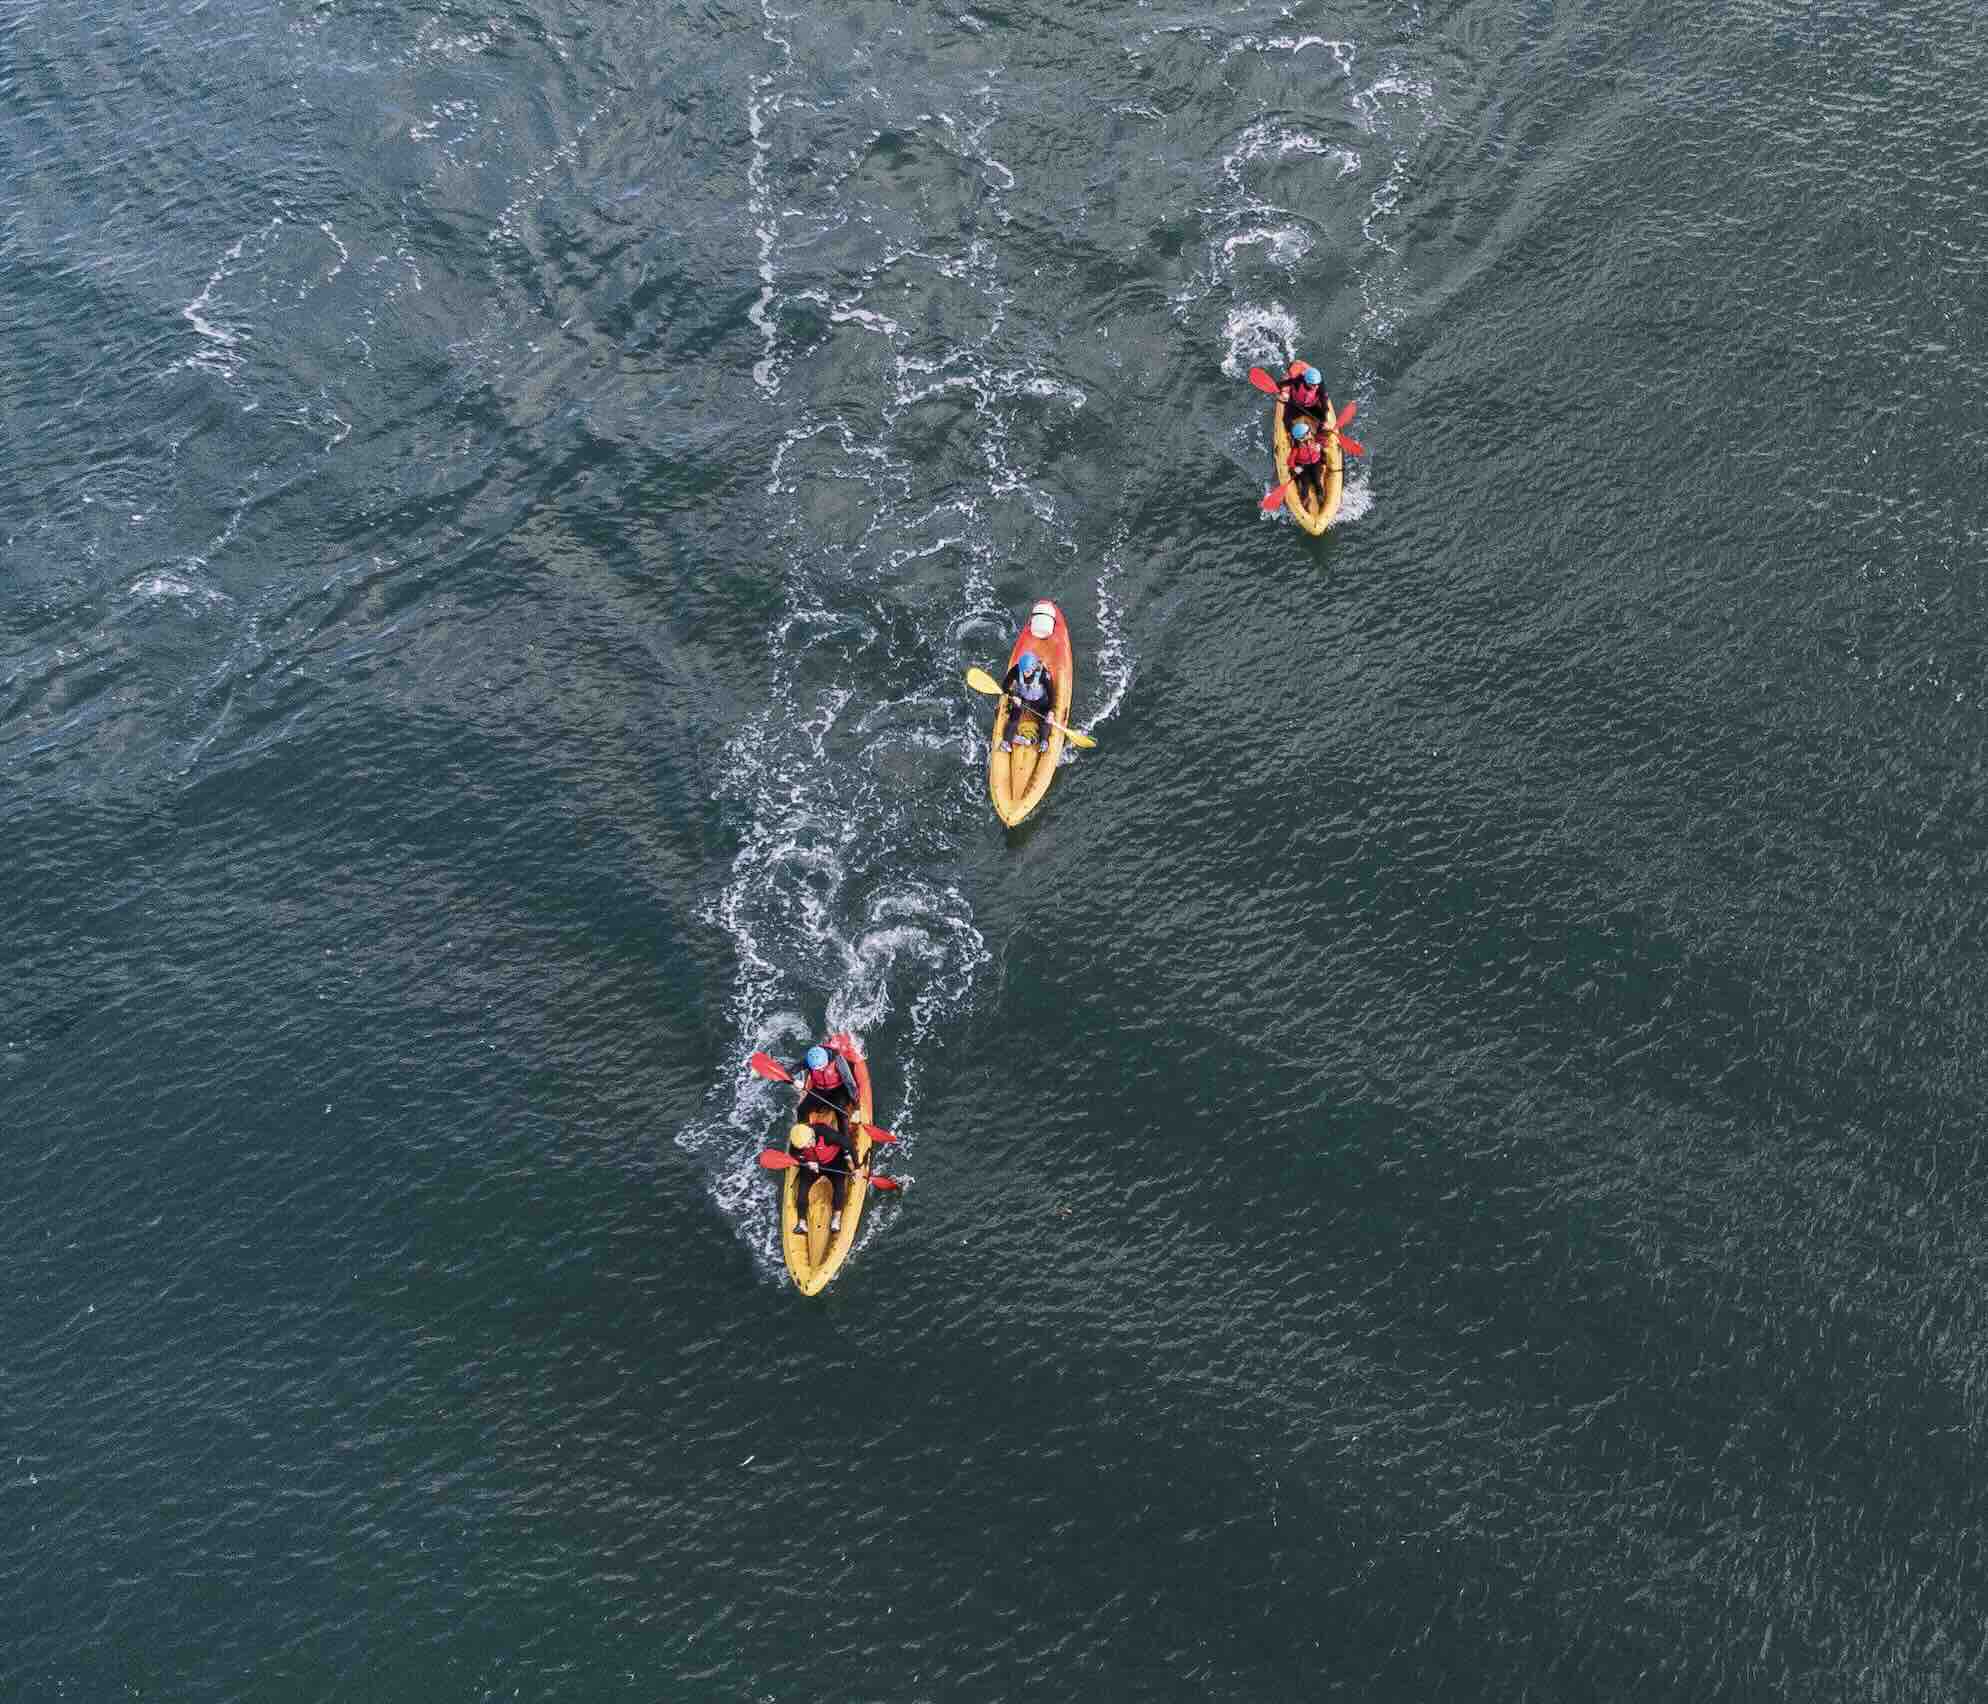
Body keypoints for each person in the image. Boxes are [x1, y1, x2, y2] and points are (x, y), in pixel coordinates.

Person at [785, 1121, 866, 1237]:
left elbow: (848, 1144)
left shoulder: (826, 1134)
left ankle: (836, 1218)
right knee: (802, 1190)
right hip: (813, 1167)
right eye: (804, 1147)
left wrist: (857, 1167)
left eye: (809, 1143)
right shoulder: (796, 1144)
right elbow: (794, 1156)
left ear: (812, 1136)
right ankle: (802, 1223)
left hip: (834, 1161)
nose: (807, 1147)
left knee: (839, 1187)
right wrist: (806, 1163)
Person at [786, 1042, 859, 1143]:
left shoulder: (837, 1060)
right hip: (819, 1090)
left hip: (838, 1090)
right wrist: (792, 1080)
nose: (820, 1070)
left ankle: (845, 1142)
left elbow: (849, 1081)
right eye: (817, 1069)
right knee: (801, 1110)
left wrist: (855, 1103)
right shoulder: (810, 1060)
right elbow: (791, 1070)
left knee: (841, 1113)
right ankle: (804, 1135)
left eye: (822, 1067)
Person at [999, 650, 1056, 753]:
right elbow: (1005, 685)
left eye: (1028, 671)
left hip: (1039, 700)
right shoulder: (1016, 670)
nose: (1025, 674)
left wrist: (1051, 711)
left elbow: (1051, 693)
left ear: (1034, 668)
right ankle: (1006, 742)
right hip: (1022, 698)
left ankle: (1044, 741)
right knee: (1014, 714)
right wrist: (1013, 696)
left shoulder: (1043, 674)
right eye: (1023, 671)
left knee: (1045, 717)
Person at [1287, 417, 1327, 501]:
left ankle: (1320, 494)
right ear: (1301, 438)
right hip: (1303, 466)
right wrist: (1294, 467)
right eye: (1308, 432)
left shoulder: (1314, 440)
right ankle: (1305, 498)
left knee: (1317, 479)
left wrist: (1320, 445)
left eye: (1309, 432)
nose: (1310, 433)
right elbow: (1290, 460)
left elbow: (1323, 439)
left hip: (1315, 462)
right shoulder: (1297, 448)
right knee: (1305, 482)